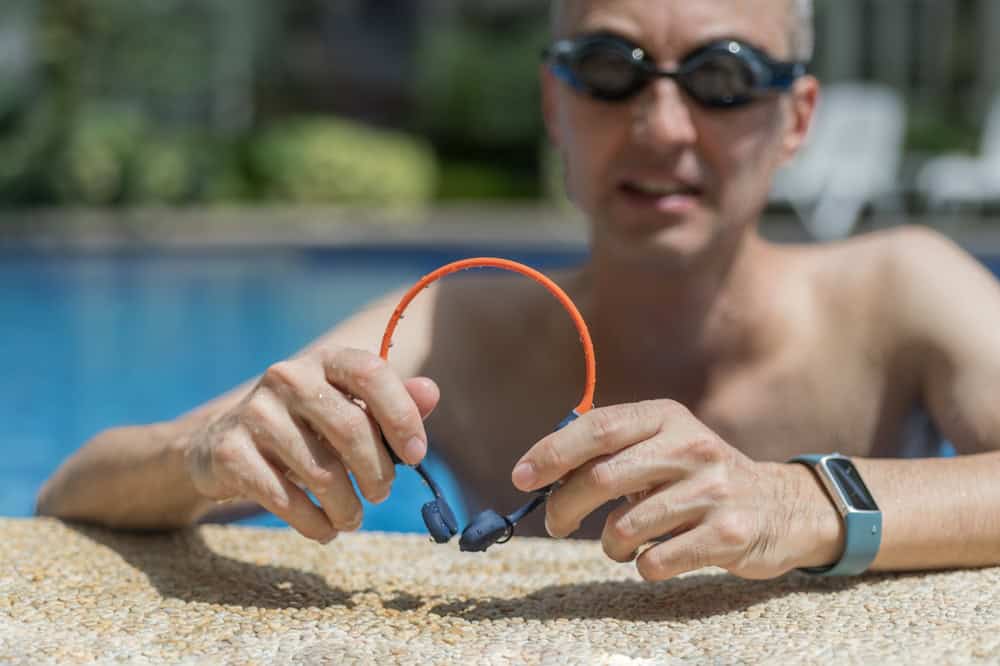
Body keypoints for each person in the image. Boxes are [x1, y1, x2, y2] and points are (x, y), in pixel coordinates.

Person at [37, 0, 1000, 581]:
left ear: (796, 118)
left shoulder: (899, 291)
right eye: (610, 70)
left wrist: (797, 504)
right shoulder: (461, 323)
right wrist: (205, 452)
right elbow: (75, 492)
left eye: (724, 77)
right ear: (553, 103)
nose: (663, 126)